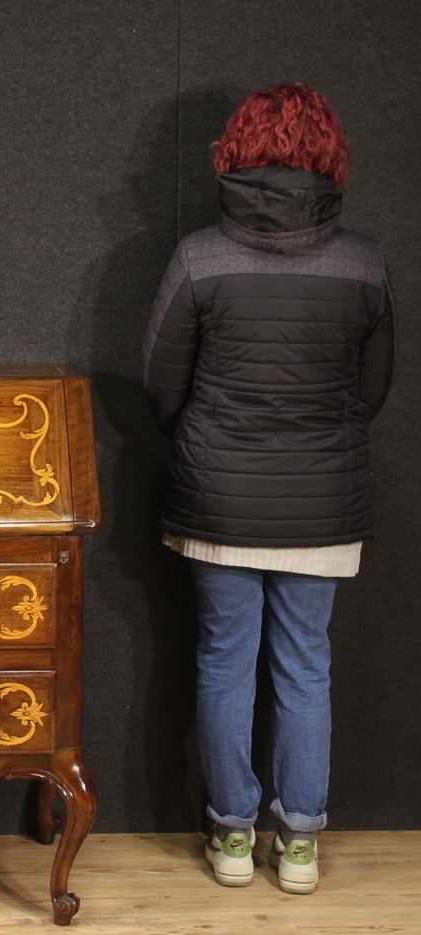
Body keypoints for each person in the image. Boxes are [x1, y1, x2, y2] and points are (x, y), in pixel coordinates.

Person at [142, 83, 395, 893]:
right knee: (305, 666)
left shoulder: (198, 257)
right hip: (323, 502)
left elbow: (159, 381)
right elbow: (373, 390)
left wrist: (209, 441)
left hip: (218, 495)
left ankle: (230, 836)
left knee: (223, 661)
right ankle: (300, 846)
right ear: (329, 157)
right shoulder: (363, 264)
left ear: (236, 154)